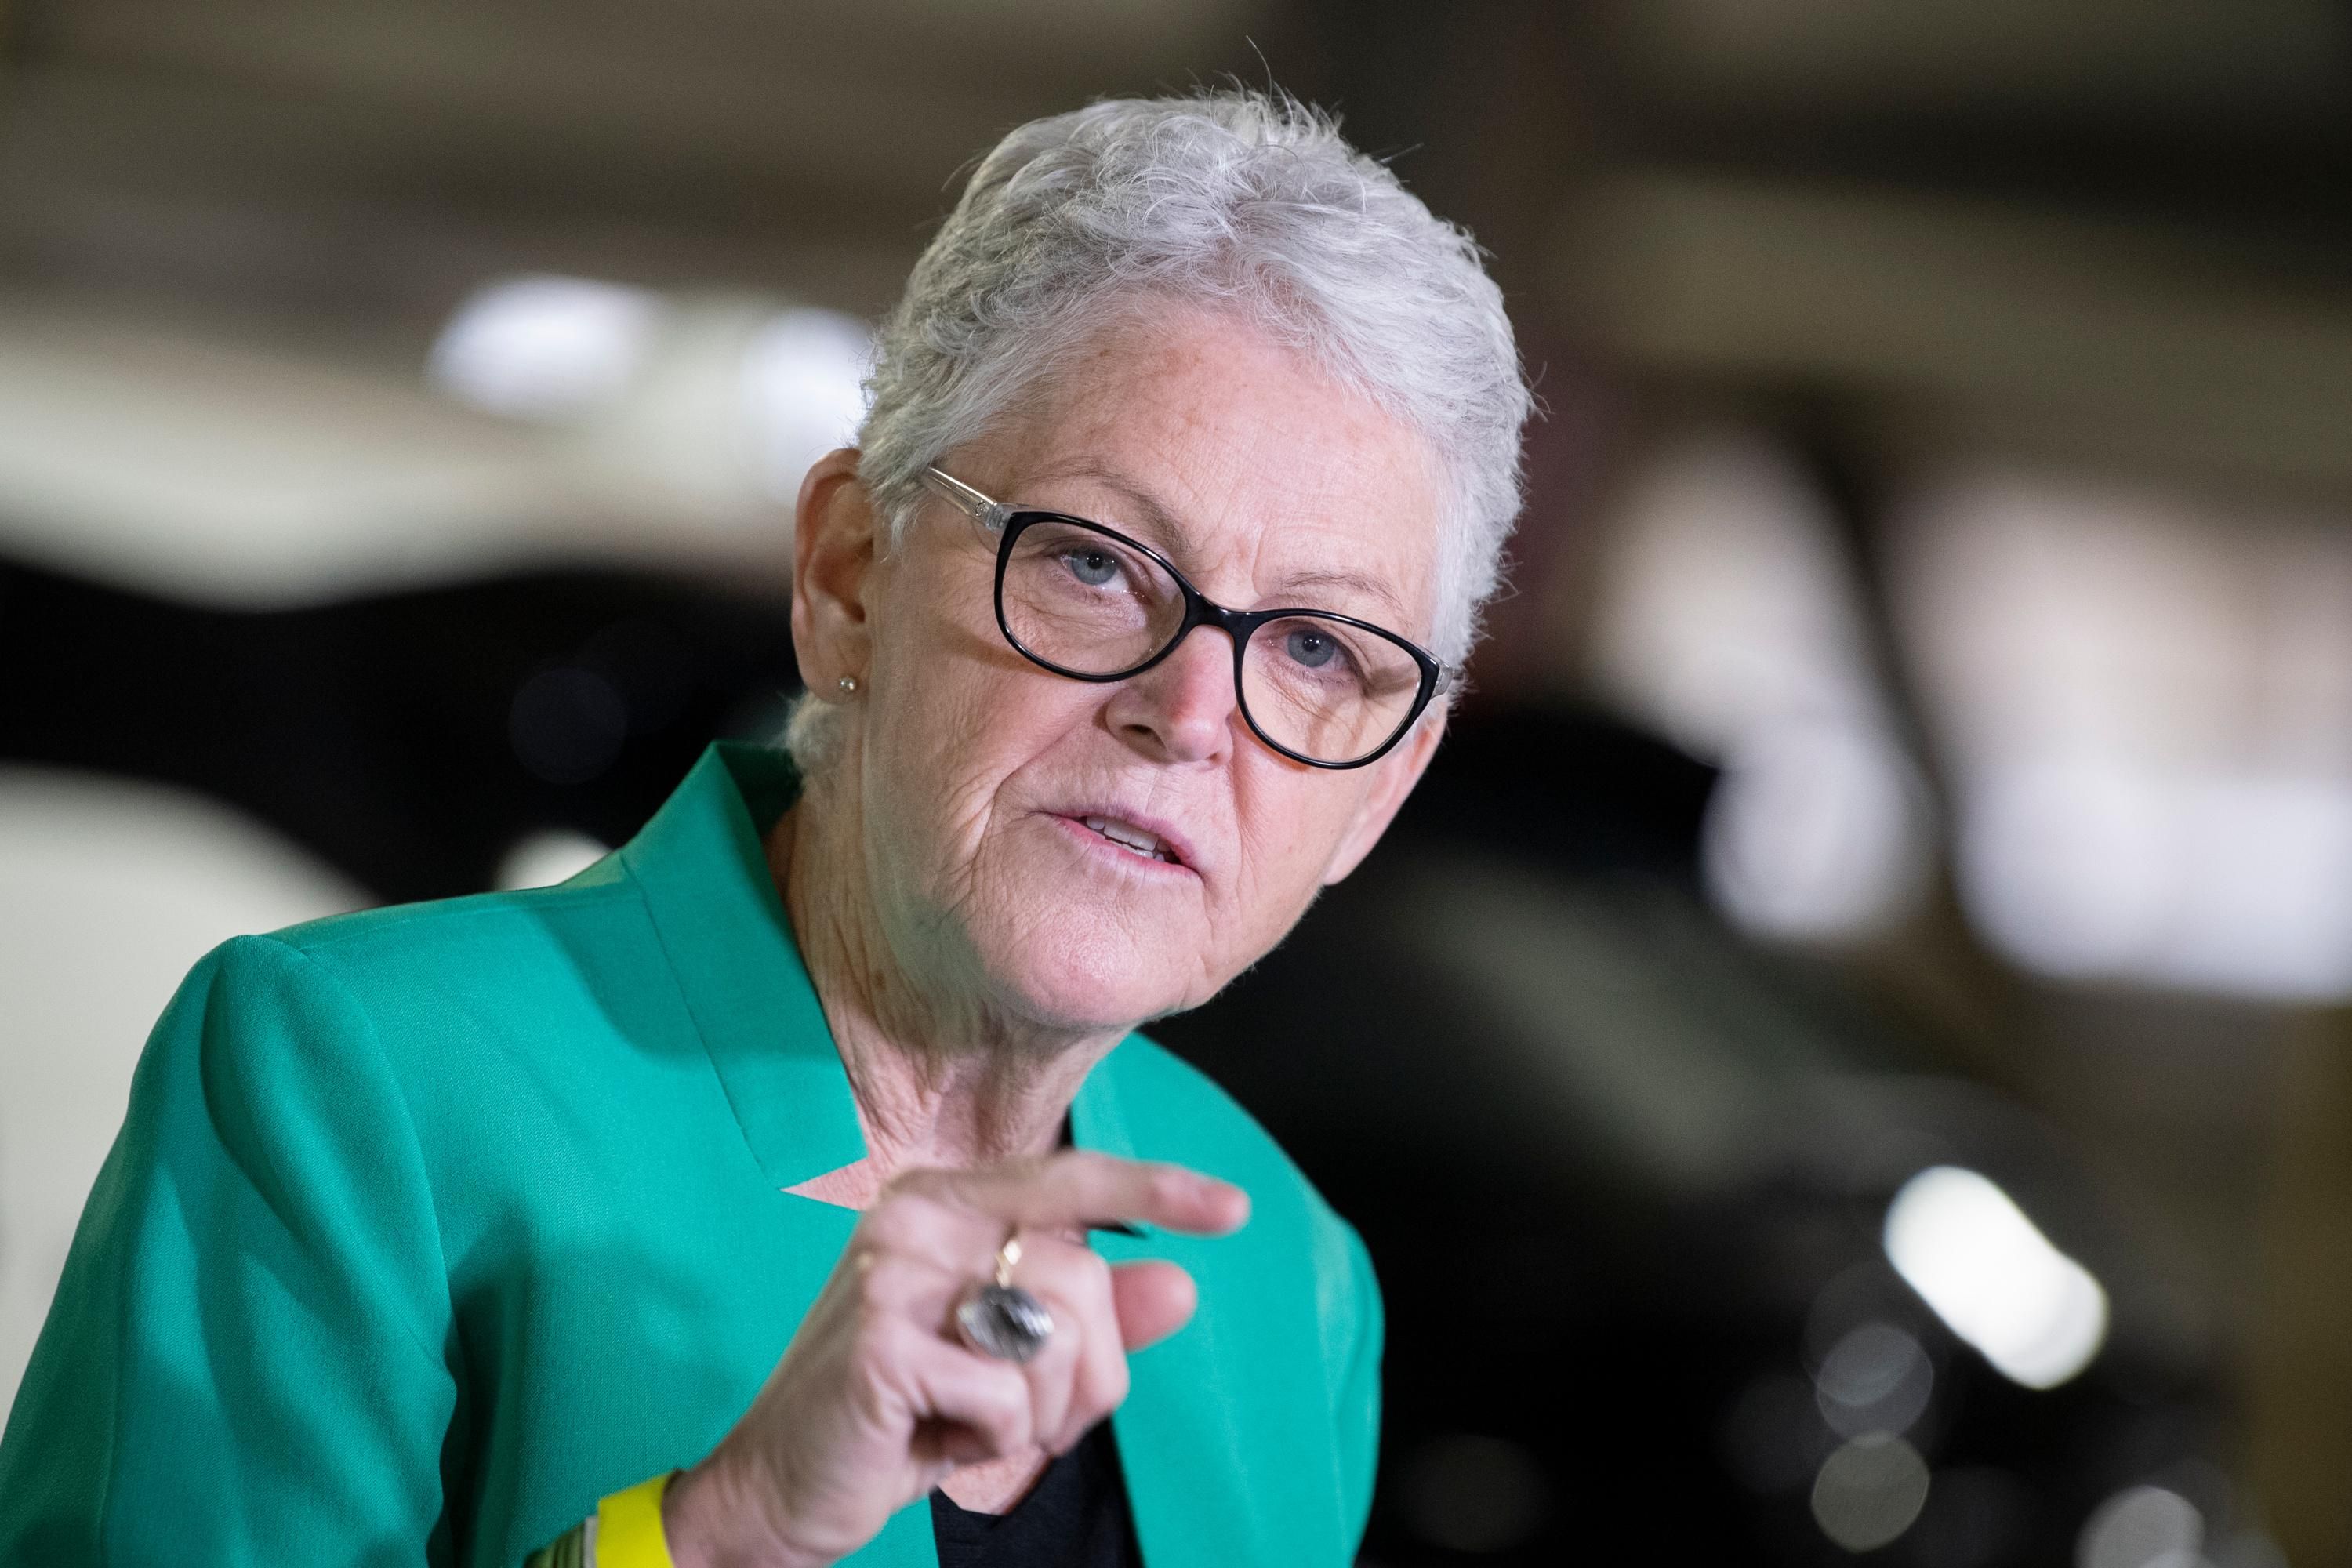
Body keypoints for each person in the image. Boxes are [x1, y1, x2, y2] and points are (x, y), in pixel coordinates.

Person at [0, 89, 1530, 1567]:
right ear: (850, 575)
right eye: (1098, 565)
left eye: (1321, 650)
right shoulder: (357, 1082)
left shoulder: (1290, 1277)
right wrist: (711, 1538)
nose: (1189, 712)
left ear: (1380, 788)